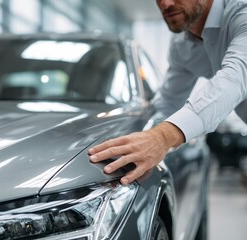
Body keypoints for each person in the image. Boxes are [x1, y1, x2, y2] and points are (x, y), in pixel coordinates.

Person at [88, 0, 247, 185]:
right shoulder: (182, 45)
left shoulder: (241, 11)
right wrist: (137, 133)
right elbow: (168, 102)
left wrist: (162, 137)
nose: (165, 4)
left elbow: (234, 80)